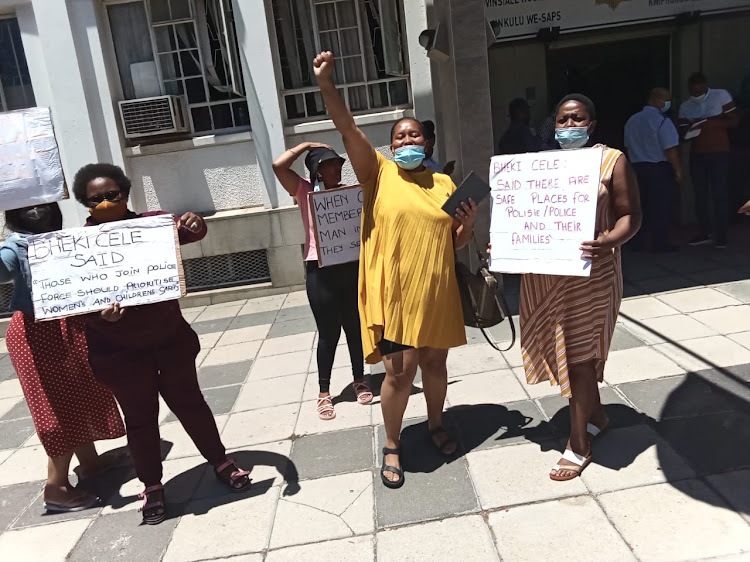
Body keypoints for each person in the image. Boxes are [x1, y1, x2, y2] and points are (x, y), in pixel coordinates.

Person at [313, 50, 476, 489]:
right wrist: (327, 84)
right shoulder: (378, 172)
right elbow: (347, 127)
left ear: (427, 144)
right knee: (399, 374)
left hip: (437, 293)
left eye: (415, 137)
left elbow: (454, 242)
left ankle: (437, 424)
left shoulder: (443, 183)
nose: (407, 143)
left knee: (435, 368)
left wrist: (469, 224)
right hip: (396, 296)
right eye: (400, 138)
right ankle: (391, 442)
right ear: (390, 146)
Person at [71, 164, 252, 525]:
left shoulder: (154, 225)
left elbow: (192, 232)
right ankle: (152, 485)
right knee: (140, 419)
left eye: (113, 195)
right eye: (96, 199)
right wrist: (98, 316)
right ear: (84, 204)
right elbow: (73, 307)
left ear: (125, 193)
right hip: (118, 353)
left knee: (191, 403)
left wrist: (195, 223)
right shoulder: (75, 248)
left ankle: (220, 460)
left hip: (169, 341)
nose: (106, 202)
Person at [521, 94, 641, 481]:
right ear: (553, 124)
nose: (569, 125)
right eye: (562, 119)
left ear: (591, 124)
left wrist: (607, 240)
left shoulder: (612, 160)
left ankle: (578, 444)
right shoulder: (541, 165)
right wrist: (508, 243)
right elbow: (524, 214)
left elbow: (631, 216)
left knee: (579, 358)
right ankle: (599, 416)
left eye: (578, 119)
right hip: (547, 277)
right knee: (575, 357)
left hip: (593, 273)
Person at [0, 203, 127, 513]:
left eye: (41, 202)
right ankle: (55, 487)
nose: (35, 209)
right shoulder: (16, 245)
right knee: (57, 407)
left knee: (83, 394)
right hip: (36, 335)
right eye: (27, 204)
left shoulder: (64, 239)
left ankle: (90, 464)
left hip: (69, 326)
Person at [272, 142, 371, 420]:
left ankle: (359, 379)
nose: (336, 170)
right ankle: (324, 392)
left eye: (338, 165)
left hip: (350, 267)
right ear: (317, 171)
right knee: (328, 334)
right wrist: (306, 145)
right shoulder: (304, 191)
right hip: (319, 269)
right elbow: (278, 166)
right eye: (329, 165)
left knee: (354, 326)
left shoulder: (350, 194)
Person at [678, 72, 739, 248]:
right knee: (700, 194)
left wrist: (710, 123)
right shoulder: (686, 106)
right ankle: (704, 232)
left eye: (699, 89)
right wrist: (692, 128)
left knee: (720, 193)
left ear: (705, 86)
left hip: (720, 152)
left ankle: (722, 236)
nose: (696, 93)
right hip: (697, 153)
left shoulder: (721, 96)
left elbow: (734, 121)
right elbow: (682, 131)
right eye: (692, 90)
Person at [624, 87, 683, 252]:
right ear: (657, 100)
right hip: (659, 169)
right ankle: (660, 243)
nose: (668, 104)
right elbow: (670, 149)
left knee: (639, 206)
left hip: (637, 168)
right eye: (667, 100)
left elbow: (628, 147)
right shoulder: (663, 121)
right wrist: (678, 171)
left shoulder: (632, 120)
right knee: (660, 207)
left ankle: (637, 243)